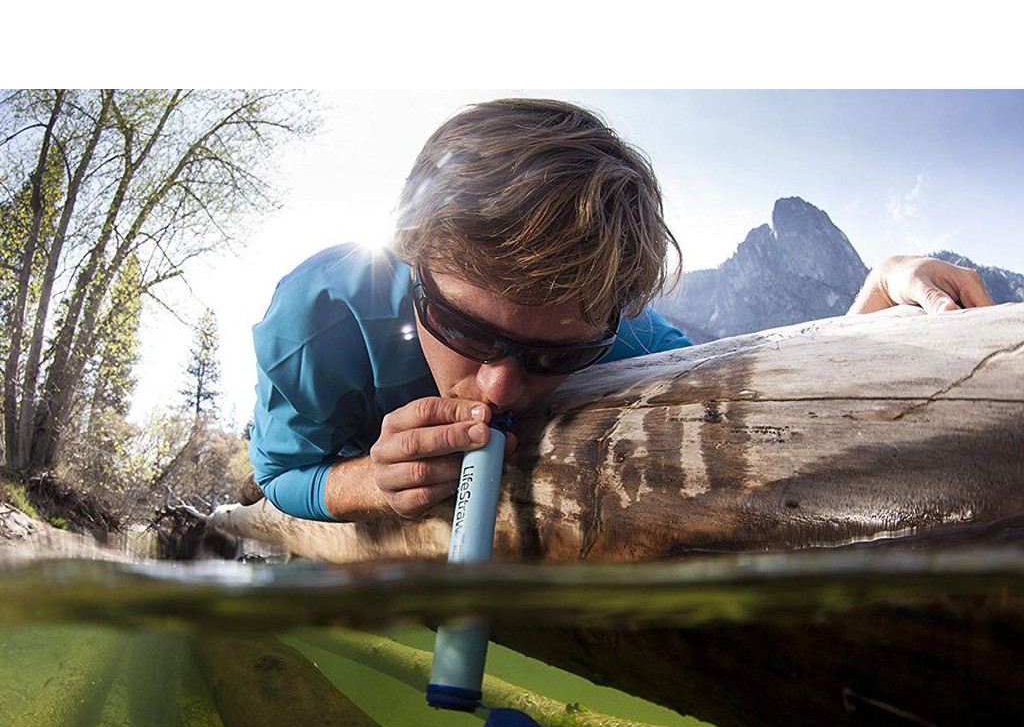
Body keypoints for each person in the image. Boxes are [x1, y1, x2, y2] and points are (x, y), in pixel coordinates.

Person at [248, 98, 994, 523]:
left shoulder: (617, 333)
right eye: (466, 331)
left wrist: (875, 296)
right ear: (412, 254)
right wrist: (365, 484)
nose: (502, 388)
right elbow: (280, 470)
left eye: (554, 358)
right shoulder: (315, 320)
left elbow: (746, 373)